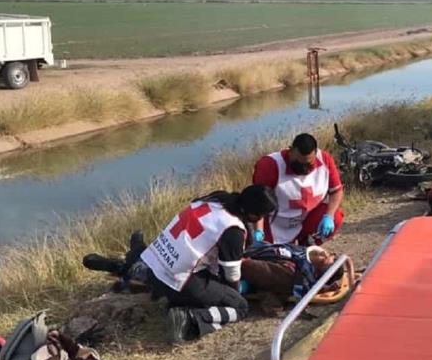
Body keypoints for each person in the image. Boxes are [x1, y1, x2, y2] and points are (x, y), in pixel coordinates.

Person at [135, 185, 277, 343]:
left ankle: (177, 302)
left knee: (206, 286)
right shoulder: (233, 230)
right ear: (253, 214)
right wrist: (234, 294)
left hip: (154, 268)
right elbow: (231, 274)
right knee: (240, 306)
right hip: (178, 280)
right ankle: (190, 319)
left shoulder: (213, 200)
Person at [252, 133, 344, 245]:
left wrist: (329, 216)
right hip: (276, 224)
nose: (303, 168)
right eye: (298, 164)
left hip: (305, 219)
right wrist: (258, 230)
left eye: (308, 164)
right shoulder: (270, 165)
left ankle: (307, 246)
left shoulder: (325, 160)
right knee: (272, 257)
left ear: (316, 153)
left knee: (336, 216)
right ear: (290, 151)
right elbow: (257, 203)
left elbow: (336, 191)